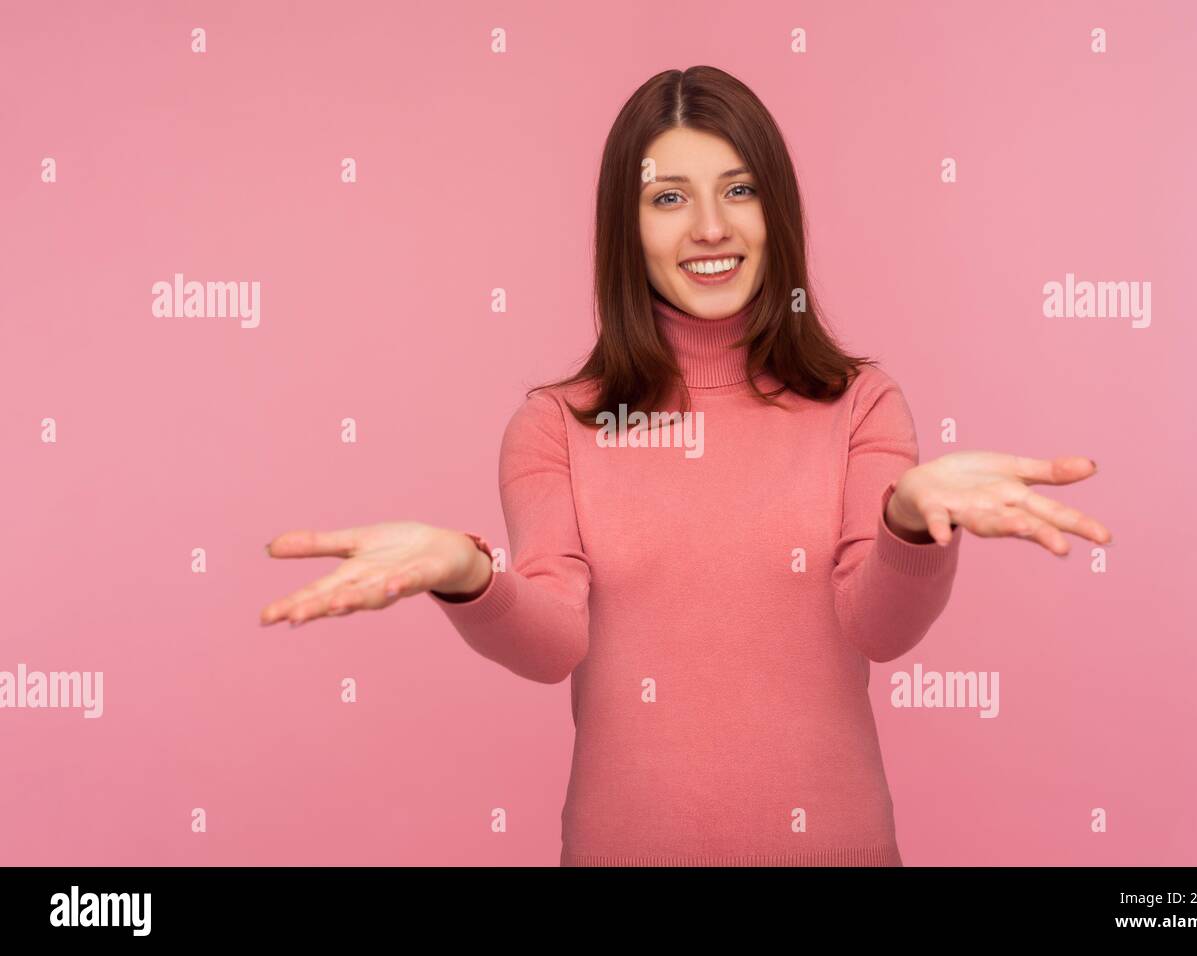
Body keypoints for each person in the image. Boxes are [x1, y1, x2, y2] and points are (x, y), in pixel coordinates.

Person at [259, 66, 1111, 866]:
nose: (711, 226)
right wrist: (465, 573)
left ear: (776, 210)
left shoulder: (860, 403)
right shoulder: (557, 424)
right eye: (669, 198)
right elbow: (555, 640)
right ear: (625, 229)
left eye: (739, 190)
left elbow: (878, 629)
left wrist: (909, 519)